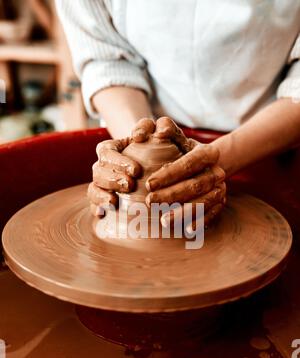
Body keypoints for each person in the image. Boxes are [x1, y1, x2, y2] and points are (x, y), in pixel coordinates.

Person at [56, 0, 300, 226]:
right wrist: (140, 155)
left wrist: (214, 163)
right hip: (143, 120)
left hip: (269, 143)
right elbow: (106, 58)